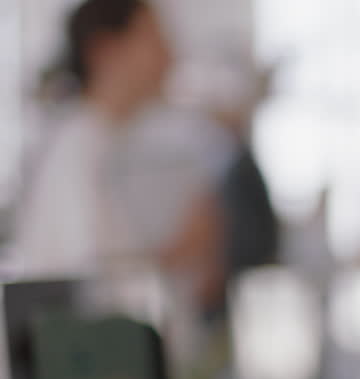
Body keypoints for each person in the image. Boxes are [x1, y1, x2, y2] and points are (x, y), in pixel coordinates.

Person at [14, 0, 223, 312]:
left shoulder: (111, 147)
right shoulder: (77, 154)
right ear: (105, 49)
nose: (170, 55)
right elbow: (96, 291)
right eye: (154, 37)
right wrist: (180, 254)